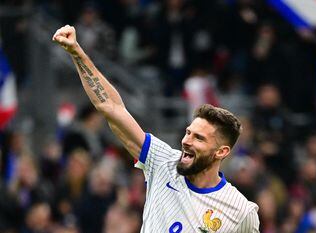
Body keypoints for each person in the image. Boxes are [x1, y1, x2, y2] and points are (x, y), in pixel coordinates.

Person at [52, 25, 259, 233]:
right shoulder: (163, 163)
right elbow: (112, 108)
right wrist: (77, 53)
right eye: (188, 132)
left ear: (221, 152)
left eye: (199, 138)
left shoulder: (241, 212)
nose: (186, 141)